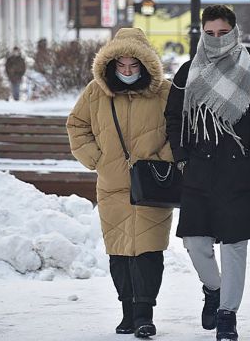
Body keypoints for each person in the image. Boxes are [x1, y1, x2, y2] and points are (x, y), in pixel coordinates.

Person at [165, 5, 250, 341]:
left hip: (238, 170)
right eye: (211, 33)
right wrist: (182, 156)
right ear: (203, 33)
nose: (217, 39)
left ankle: (228, 314)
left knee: (234, 245)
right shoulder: (188, 72)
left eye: (223, 32)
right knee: (194, 242)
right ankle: (213, 289)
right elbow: (173, 118)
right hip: (198, 170)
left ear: (234, 32)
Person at [66, 28, 174, 338]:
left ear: (144, 64)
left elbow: (178, 131)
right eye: (121, 66)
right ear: (111, 64)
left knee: (149, 251)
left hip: (153, 185)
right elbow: (77, 126)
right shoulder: (96, 92)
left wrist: (163, 159)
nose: (127, 72)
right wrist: (97, 160)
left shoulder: (164, 92)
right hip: (112, 184)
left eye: (133, 66)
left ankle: (144, 314)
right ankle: (127, 312)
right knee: (120, 252)